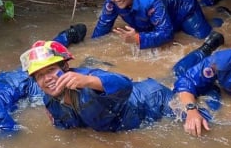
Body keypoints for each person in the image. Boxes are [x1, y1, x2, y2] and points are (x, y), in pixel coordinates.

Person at [19, 40, 216, 131]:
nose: (47, 79)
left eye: (51, 71)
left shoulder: (87, 78)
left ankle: (207, 50)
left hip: (153, 101)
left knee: (198, 101)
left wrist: (88, 81)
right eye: (40, 76)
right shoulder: (50, 101)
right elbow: (70, 127)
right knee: (175, 75)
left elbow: (124, 83)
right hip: (130, 118)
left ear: (66, 67)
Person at [91, 0, 226, 49]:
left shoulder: (151, 0)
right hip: (162, 11)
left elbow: (167, 33)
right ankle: (207, 3)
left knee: (203, 38)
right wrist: (91, 47)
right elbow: (103, 24)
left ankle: (215, 10)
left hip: (184, 7)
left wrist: (137, 38)